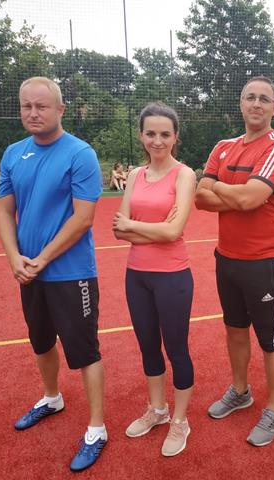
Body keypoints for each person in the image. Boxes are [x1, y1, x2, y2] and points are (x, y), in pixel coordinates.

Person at [0, 76, 107, 471]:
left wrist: (40, 259)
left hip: (71, 274)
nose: (33, 113)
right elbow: (5, 210)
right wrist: (14, 257)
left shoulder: (80, 153)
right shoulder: (13, 153)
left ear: (60, 109)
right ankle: (52, 398)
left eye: (41, 106)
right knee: (41, 341)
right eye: (26, 106)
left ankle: (97, 428)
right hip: (29, 272)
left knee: (85, 350)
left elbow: (83, 218)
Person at [195, 76, 274, 447]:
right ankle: (240, 391)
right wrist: (235, 194)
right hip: (228, 257)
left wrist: (219, 188)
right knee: (234, 330)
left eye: (264, 99)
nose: (256, 104)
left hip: (266, 260)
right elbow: (200, 199)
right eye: (250, 97)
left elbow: (250, 199)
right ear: (240, 103)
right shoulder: (223, 147)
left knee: (271, 338)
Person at [112, 102, 196, 457]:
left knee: (176, 349)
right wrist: (155, 229)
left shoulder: (184, 175)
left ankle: (180, 420)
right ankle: (158, 409)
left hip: (172, 276)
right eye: (150, 134)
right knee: (148, 346)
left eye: (164, 134)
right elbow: (119, 230)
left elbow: (174, 232)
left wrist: (136, 226)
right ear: (141, 135)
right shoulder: (134, 175)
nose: (157, 141)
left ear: (175, 136)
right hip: (137, 276)